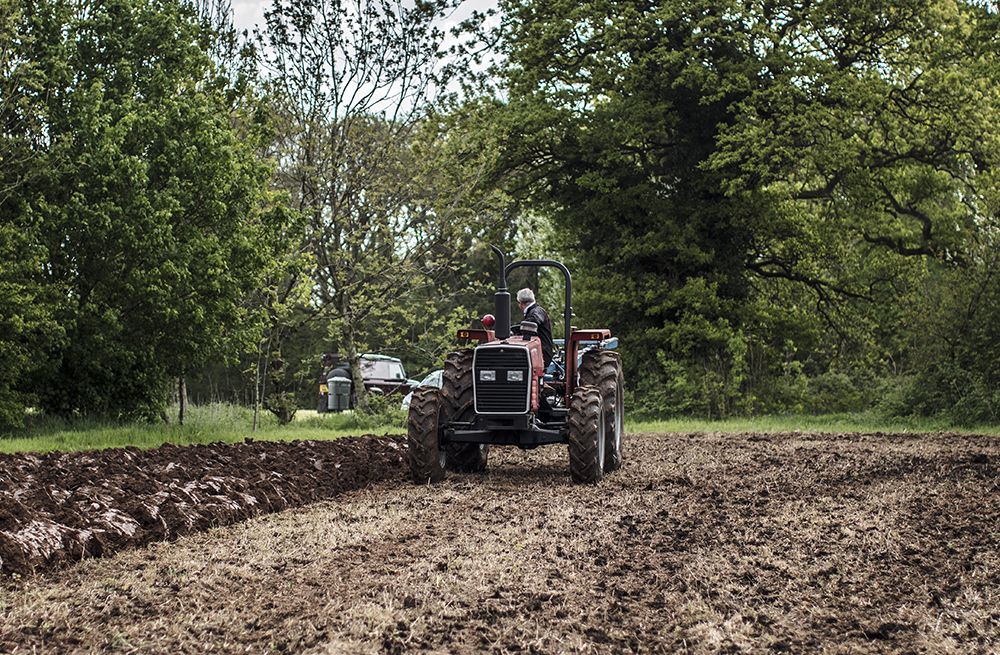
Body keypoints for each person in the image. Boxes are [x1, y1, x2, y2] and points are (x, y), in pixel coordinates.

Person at [517, 288, 554, 367]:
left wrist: (521, 330)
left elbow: (533, 321)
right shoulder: (533, 311)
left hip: (542, 353)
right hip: (537, 351)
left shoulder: (536, 311)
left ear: (521, 304)